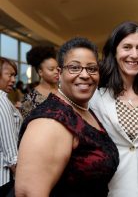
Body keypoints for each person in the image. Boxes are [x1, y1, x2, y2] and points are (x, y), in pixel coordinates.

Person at [15, 37, 119, 197]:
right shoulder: (49, 121)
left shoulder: (83, 110)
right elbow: (28, 193)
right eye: (74, 67)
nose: (85, 75)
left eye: (92, 68)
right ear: (59, 72)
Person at [90, 21, 138, 197]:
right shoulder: (96, 94)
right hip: (109, 184)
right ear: (114, 51)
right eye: (127, 47)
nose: (134, 54)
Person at [0, 57, 23, 196]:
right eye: (10, 75)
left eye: (15, 75)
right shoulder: (1, 101)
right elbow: (11, 152)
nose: (13, 80)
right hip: (5, 178)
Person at [20, 46, 59, 118]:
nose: (56, 72)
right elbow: (26, 124)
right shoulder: (30, 98)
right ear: (40, 72)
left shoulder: (64, 92)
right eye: (51, 69)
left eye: (57, 69)